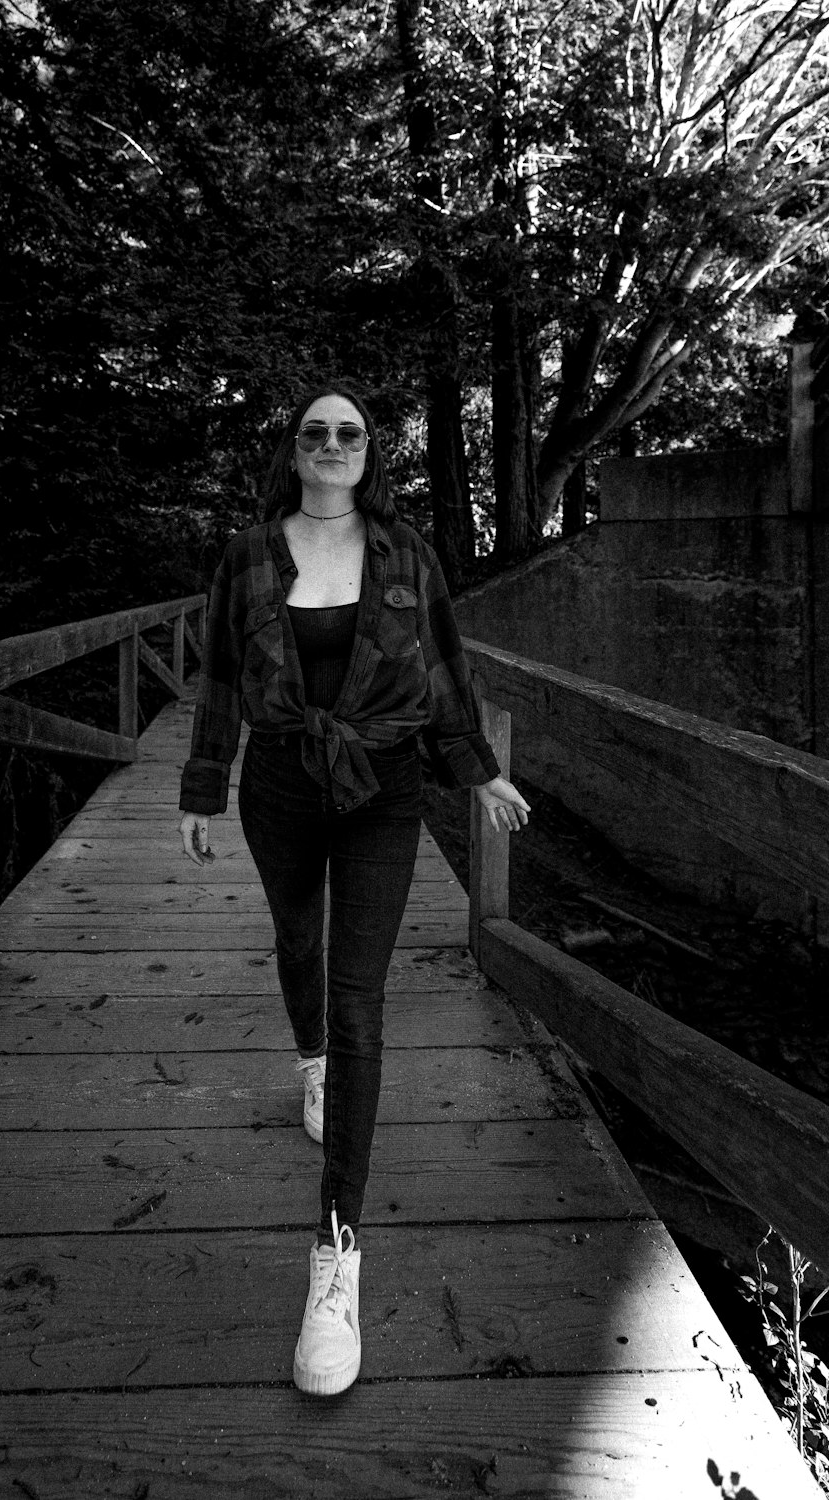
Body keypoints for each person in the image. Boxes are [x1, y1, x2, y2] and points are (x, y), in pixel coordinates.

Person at [178, 383, 530, 1397]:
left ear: (369, 454)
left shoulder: (406, 552)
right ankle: (311, 1062)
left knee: (360, 992)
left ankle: (335, 1258)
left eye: (350, 434)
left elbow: (447, 670)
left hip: (385, 785)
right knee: (298, 942)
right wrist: (203, 788)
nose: (332, 446)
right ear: (293, 452)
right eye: (314, 433)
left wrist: (478, 771)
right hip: (282, 783)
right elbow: (217, 682)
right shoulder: (247, 554)